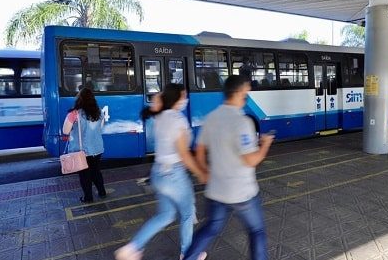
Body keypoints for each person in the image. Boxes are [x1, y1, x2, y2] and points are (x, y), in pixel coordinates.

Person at [183, 75, 275, 260]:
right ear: (239, 92)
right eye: (246, 92)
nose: (247, 96)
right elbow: (250, 160)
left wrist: (203, 172)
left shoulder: (211, 118)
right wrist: (265, 144)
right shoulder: (242, 122)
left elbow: (199, 150)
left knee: (210, 228)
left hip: (216, 191)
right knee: (256, 231)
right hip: (242, 192)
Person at [116, 84, 207, 260]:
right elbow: (184, 154)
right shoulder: (177, 119)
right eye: (184, 96)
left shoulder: (160, 117)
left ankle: (132, 248)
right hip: (174, 174)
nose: (186, 100)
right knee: (187, 213)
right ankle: (188, 255)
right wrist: (200, 172)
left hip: (158, 172)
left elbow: (156, 104)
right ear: (177, 98)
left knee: (165, 215)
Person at [62, 87, 106, 202]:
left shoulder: (74, 113)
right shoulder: (99, 112)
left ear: (79, 99)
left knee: (84, 174)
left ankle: (88, 197)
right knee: (96, 171)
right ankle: (102, 192)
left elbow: (65, 131)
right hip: (97, 148)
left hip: (82, 150)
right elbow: (100, 128)